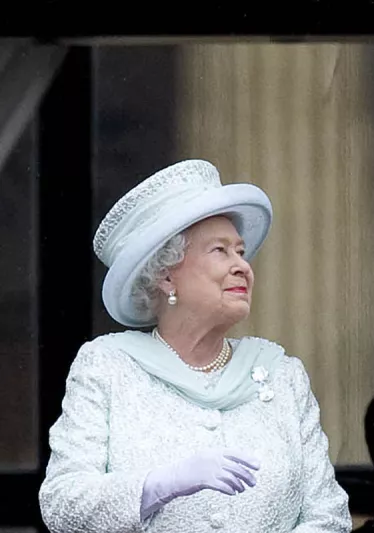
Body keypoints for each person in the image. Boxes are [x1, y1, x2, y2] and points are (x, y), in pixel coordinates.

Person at [39, 160, 351, 533]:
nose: (242, 266)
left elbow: (329, 514)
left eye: (241, 251)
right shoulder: (107, 367)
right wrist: (158, 485)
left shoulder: (283, 375)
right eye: (220, 251)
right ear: (166, 274)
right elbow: (61, 505)